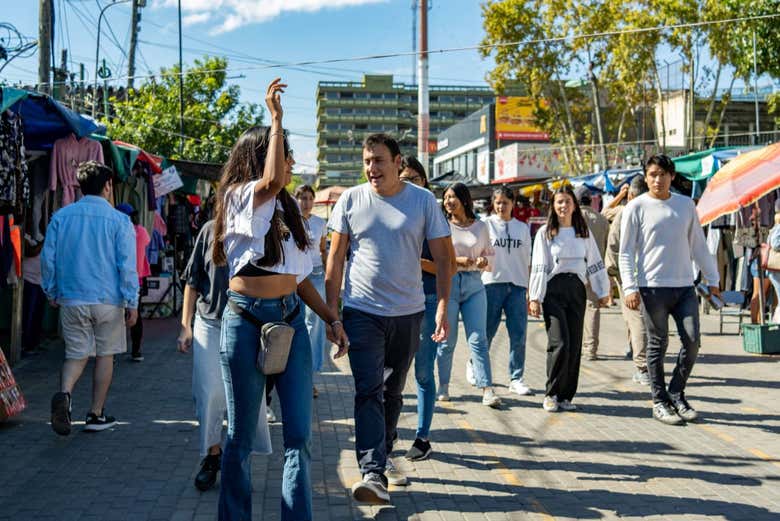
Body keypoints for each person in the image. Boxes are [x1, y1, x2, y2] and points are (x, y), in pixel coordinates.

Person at [212, 78, 348, 521]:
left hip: (290, 321)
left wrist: (331, 318)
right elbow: (269, 179)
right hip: (246, 324)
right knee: (240, 437)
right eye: (285, 152)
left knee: (300, 440)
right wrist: (276, 118)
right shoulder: (238, 198)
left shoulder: (291, 210)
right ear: (262, 154)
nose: (291, 162)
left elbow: (300, 278)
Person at [326, 134, 452, 505]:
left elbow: (446, 259)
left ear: (398, 162)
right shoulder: (351, 199)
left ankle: (385, 450)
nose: (371, 168)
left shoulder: (423, 201)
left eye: (379, 160)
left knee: (393, 393)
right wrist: (332, 315)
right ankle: (372, 471)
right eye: (367, 161)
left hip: (409, 314)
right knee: (368, 390)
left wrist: (442, 307)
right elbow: (335, 259)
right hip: (363, 312)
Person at [619, 154, 720, 426]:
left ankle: (676, 392)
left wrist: (713, 278)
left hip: (684, 286)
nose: (657, 179)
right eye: (652, 174)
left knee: (692, 341)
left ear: (672, 177)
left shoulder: (686, 205)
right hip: (651, 289)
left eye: (663, 174)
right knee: (657, 344)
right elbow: (626, 252)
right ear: (646, 176)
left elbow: (698, 245)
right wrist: (629, 287)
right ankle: (659, 401)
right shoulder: (636, 207)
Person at [42, 160, 138, 435]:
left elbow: (49, 258)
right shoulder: (120, 221)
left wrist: (51, 290)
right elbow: (126, 266)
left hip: (71, 298)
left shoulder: (61, 217)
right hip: (108, 300)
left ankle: (65, 394)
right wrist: (132, 302)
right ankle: (96, 414)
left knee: (75, 354)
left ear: (81, 186)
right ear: (108, 186)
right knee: (105, 355)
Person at [177, 219, 271, 492]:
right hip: (210, 322)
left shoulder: (262, 229)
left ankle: (239, 460)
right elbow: (192, 281)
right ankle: (212, 455)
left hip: (249, 324)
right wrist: (185, 325)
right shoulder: (209, 230)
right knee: (210, 394)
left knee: (248, 398)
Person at [529, 185, 610, 413]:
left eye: (567, 202)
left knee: (574, 345)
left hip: (577, 289)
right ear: (553, 206)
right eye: (559, 202)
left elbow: (595, 261)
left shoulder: (582, 232)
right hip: (553, 289)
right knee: (559, 342)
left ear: (575, 205)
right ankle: (551, 393)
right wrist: (535, 297)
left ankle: (566, 395)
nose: (563, 206)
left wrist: (602, 290)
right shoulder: (545, 233)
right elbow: (539, 267)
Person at [398, 155, 456, 462]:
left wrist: (415, 261)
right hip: (393, 304)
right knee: (391, 372)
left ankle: (422, 436)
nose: (409, 185)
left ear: (426, 183)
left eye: (415, 179)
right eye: (403, 179)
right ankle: (386, 432)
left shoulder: (434, 213)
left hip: (428, 300)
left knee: (422, 373)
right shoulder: (388, 211)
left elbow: (450, 266)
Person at [436, 182, 499, 408]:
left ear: (464, 200)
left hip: (474, 285)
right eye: (446, 198)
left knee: (478, 339)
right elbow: (438, 258)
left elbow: (491, 256)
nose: (448, 201)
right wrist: (458, 261)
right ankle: (443, 386)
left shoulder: (480, 227)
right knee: (447, 340)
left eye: (453, 197)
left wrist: (484, 261)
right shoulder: (441, 225)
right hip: (448, 285)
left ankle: (487, 389)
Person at [482, 186, 533, 396]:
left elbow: (528, 260)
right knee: (487, 332)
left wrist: (530, 288)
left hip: (517, 286)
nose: (502, 206)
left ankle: (516, 377)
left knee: (519, 335)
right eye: (498, 202)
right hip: (492, 283)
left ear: (513, 203)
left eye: (505, 202)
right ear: (493, 204)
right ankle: (477, 367)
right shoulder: (485, 225)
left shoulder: (522, 228)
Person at [604, 176, 650, 384]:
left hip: (629, 274)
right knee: (644, 318)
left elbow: (613, 243)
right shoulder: (653, 210)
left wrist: (612, 271)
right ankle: (637, 350)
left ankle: (643, 366)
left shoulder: (625, 212)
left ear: (630, 194)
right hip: (652, 274)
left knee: (635, 317)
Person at [294, 184, 329, 398]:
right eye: (302, 198)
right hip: (294, 275)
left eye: (309, 198)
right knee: (294, 323)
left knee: (315, 327)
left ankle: (310, 377)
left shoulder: (320, 223)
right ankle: (295, 376)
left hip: (315, 275)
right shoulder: (289, 221)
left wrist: (329, 277)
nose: (306, 202)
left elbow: (323, 250)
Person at [574, 186, 610, 361]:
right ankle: (591, 350)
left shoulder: (572, 218)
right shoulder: (602, 219)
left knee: (574, 308)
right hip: (596, 269)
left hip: (575, 269)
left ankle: (576, 346)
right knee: (593, 308)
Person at [116, 203, 151, 362]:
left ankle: (112, 353)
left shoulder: (118, 232)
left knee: (116, 316)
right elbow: (147, 242)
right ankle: (136, 351)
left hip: (118, 278)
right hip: (138, 279)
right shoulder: (142, 232)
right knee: (136, 316)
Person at [21, 238, 46, 356]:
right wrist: (44, 241)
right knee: (28, 315)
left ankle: (34, 343)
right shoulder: (24, 235)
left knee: (37, 315)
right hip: (28, 279)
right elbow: (30, 252)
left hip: (40, 281)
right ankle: (26, 345)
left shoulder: (39, 236)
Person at [769, 201, 780, 323]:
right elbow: (775, 244)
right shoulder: (778, 227)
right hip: (777, 268)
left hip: (775, 269)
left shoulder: (775, 226)